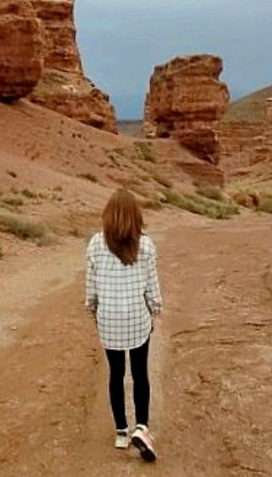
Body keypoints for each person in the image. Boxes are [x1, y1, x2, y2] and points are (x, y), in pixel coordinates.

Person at [85, 188, 163, 462]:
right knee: (140, 373)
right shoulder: (146, 244)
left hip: (109, 321)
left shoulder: (95, 243)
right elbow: (152, 288)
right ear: (135, 216)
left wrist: (93, 309)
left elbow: (91, 288)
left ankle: (121, 431)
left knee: (115, 374)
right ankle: (142, 427)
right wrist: (155, 310)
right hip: (137, 320)